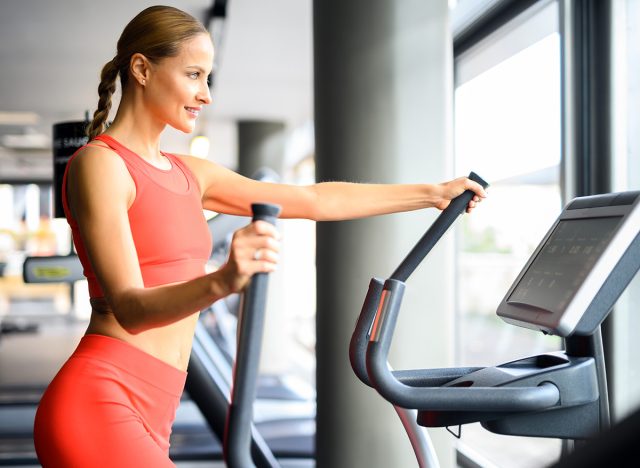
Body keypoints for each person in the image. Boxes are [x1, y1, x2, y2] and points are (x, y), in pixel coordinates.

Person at [33, 5, 487, 467]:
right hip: (100, 398)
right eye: (193, 74)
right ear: (142, 68)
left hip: (156, 408)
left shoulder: (190, 174)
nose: (205, 95)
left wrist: (432, 193)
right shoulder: (100, 165)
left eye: (207, 78)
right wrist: (223, 279)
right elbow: (129, 307)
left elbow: (312, 200)